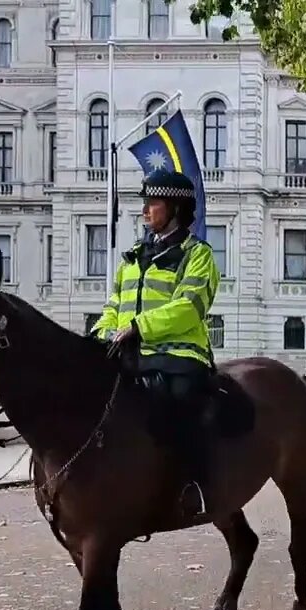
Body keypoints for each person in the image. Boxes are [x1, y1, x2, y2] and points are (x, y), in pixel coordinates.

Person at [91, 168, 222, 517]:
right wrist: (101, 333)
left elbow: (189, 308)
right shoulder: (133, 257)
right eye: (145, 203)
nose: (146, 210)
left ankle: (193, 483)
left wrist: (138, 327)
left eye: (154, 203)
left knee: (178, 404)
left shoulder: (198, 255)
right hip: (130, 354)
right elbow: (113, 305)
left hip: (178, 356)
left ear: (176, 208)